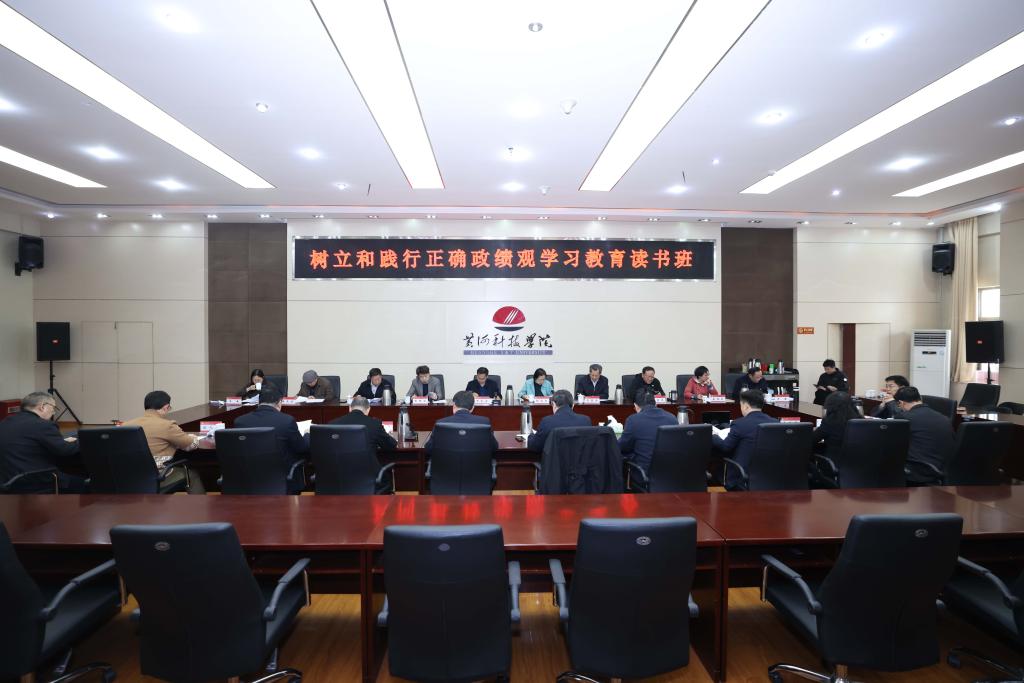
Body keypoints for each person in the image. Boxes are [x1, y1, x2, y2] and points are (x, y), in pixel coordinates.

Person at [122, 390, 205, 493]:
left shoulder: (125, 425)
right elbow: (190, 445)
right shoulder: (167, 425)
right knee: (191, 475)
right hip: (157, 478)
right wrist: (193, 437)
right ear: (166, 407)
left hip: (129, 478)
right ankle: (201, 504)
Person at [0, 391, 83, 493]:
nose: (53, 412)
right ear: (42, 406)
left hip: (6, 480)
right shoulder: (43, 425)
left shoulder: (6, 421)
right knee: (83, 483)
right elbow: (64, 450)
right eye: (53, 408)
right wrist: (85, 442)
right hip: (32, 480)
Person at [234, 384, 310, 493]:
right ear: (279, 402)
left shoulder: (240, 422)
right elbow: (301, 448)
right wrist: (307, 435)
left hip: (249, 480)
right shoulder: (287, 421)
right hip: (283, 480)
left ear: (259, 402)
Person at [712, 390, 778, 490]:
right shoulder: (775, 423)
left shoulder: (739, 424)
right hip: (768, 476)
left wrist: (713, 436)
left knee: (716, 470)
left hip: (742, 477)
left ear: (746, 406)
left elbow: (726, 447)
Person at [894, 386, 954, 485]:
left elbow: (894, 443)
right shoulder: (944, 418)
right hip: (942, 469)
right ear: (920, 399)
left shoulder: (904, 417)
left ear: (901, 403)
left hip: (917, 471)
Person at [618, 389, 677, 470]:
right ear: (656, 404)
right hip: (669, 472)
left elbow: (623, 447)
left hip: (643, 472)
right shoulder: (672, 418)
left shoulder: (633, 420)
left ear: (636, 406)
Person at [424, 390, 498, 454]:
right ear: (473, 408)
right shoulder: (484, 422)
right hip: (477, 465)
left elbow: (429, 448)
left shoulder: (440, 423)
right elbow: (494, 447)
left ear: (454, 406)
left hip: (447, 465)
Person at [330, 396, 398, 453]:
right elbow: (391, 445)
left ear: (350, 408)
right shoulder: (375, 424)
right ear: (368, 410)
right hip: (366, 465)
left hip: (340, 464)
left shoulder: (333, 424)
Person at [812, 391, 860, 463]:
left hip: (833, 464)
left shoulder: (829, 422)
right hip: (857, 464)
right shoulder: (860, 421)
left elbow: (811, 440)